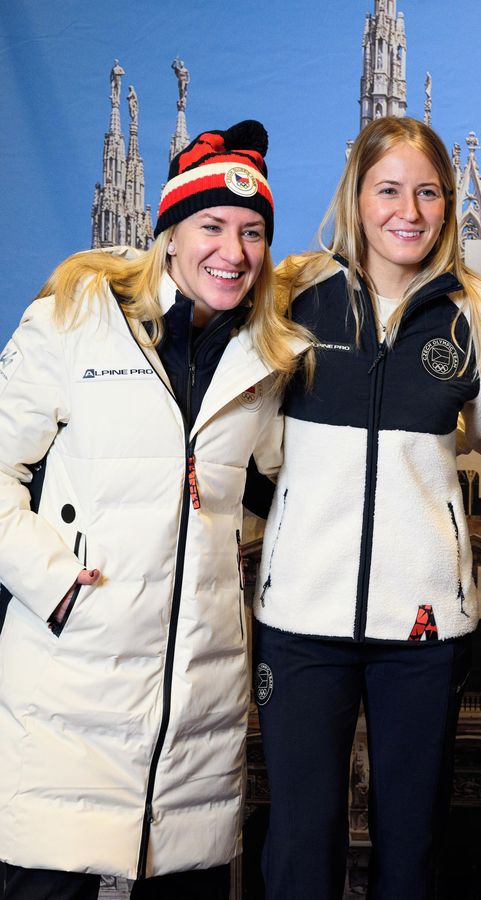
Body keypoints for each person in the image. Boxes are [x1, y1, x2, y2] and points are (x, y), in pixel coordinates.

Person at [0, 121, 304, 899]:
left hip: (196, 708)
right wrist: (57, 587)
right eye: (212, 226)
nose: (233, 251)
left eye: (253, 233)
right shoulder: (74, 320)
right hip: (71, 693)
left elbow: (292, 489)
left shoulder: (265, 361)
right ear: (168, 235)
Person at [250, 115, 481, 900]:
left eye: (428, 192)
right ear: (355, 196)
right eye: (388, 190)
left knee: (414, 839)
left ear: (449, 202)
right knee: (301, 840)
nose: (409, 211)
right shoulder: (291, 294)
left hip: (424, 626)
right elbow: (249, 436)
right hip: (302, 618)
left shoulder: (478, 312)